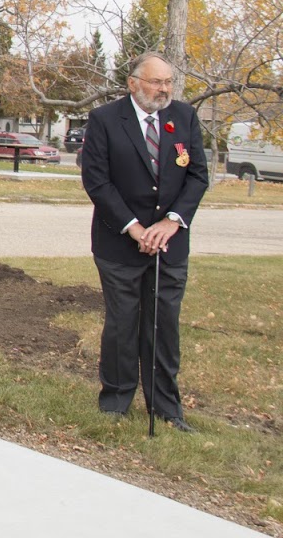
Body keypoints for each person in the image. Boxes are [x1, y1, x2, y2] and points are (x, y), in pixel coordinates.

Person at [79, 52, 207, 432]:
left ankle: (167, 406)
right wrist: (134, 228)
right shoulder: (105, 120)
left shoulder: (184, 117)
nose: (163, 89)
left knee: (163, 324)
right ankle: (116, 400)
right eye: (155, 82)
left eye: (168, 82)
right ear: (133, 82)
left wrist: (170, 223)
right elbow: (97, 181)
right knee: (123, 322)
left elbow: (197, 176)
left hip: (170, 244)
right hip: (119, 243)